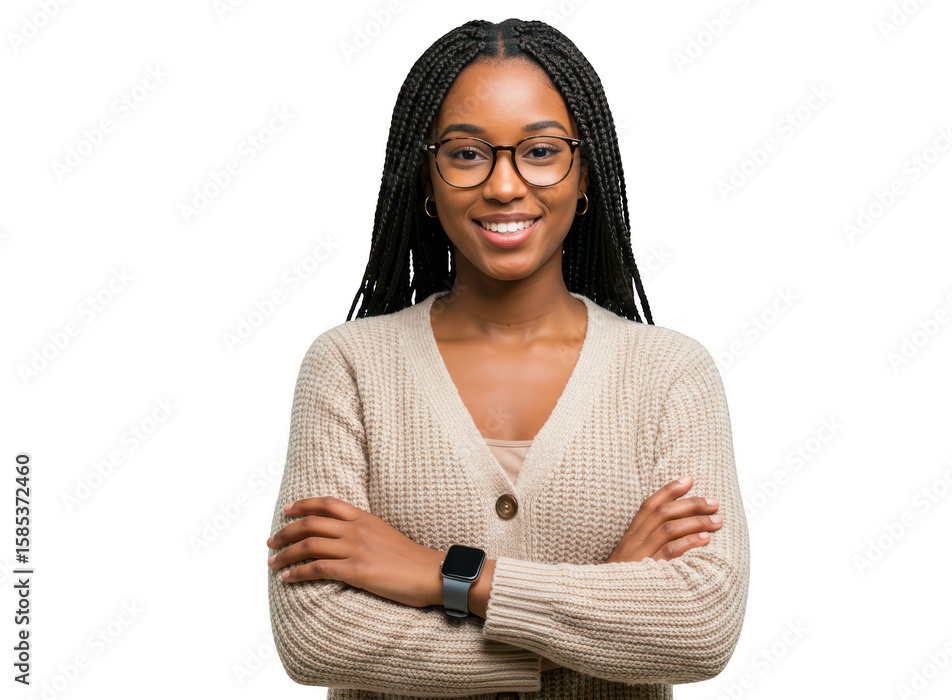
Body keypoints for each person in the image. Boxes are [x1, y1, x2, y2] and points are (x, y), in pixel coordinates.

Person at [266, 17, 750, 700]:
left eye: (541, 151)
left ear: (586, 175)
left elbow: (701, 625)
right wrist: (601, 610)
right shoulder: (349, 367)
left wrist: (440, 575)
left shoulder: (669, 374)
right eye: (466, 154)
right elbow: (316, 636)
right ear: (425, 180)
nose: (503, 185)